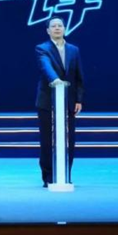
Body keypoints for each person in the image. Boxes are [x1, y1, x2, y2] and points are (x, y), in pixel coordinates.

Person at [35, 16, 84, 187]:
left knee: (69, 140)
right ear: (48, 30)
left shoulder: (74, 50)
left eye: (60, 25)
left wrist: (79, 99)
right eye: (53, 26)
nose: (57, 28)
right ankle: (48, 176)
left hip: (68, 101)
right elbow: (45, 66)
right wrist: (55, 80)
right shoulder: (42, 48)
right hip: (47, 100)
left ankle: (65, 173)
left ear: (64, 28)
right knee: (47, 140)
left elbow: (78, 76)